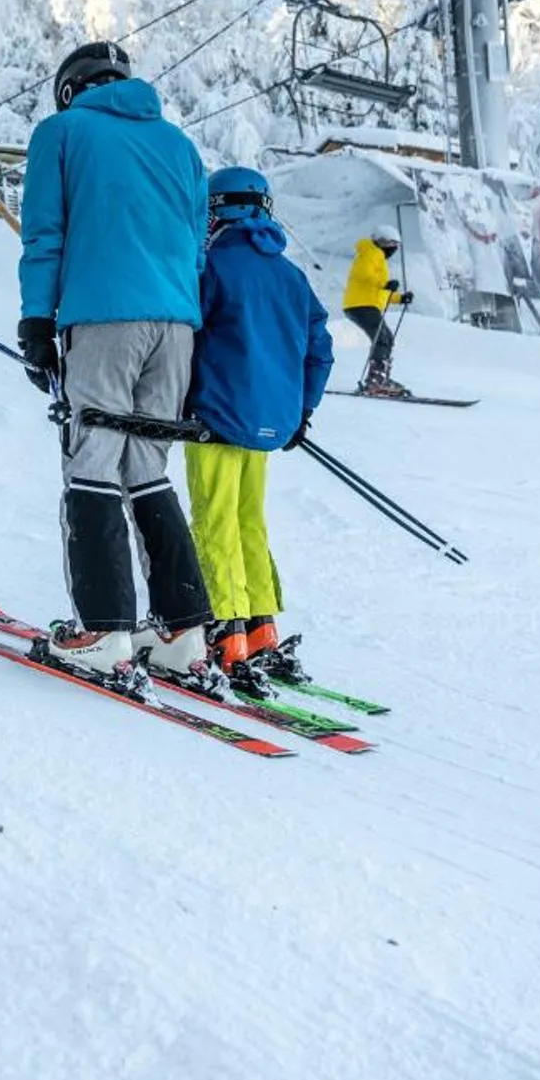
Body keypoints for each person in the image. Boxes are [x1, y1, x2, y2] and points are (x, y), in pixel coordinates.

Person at [15, 41, 222, 697]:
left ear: (71, 89)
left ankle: (103, 631)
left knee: (93, 460)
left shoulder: (61, 132)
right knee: (147, 468)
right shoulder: (181, 146)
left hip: (103, 318)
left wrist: (37, 323)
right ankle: (180, 631)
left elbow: (44, 234)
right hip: (176, 325)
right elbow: (195, 248)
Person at [185, 166, 333, 696]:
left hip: (217, 420)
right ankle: (260, 626)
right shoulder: (292, 276)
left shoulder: (214, 265)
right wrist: (301, 412)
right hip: (270, 426)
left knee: (215, 519)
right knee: (250, 520)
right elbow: (321, 347)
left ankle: (223, 632)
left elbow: (187, 333)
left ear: (218, 209)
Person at [342, 222, 413, 396]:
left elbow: (378, 290)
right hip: (361, 305)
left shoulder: (376, 257)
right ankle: (376, 381)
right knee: (382, 339)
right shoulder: (370, 253)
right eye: (392, 246)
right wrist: (385, 283)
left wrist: (399, 298)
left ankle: (380, 377)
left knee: (386, 338)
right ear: (384, 243)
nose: (393, 250)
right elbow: (365, 275)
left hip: (365, 304)